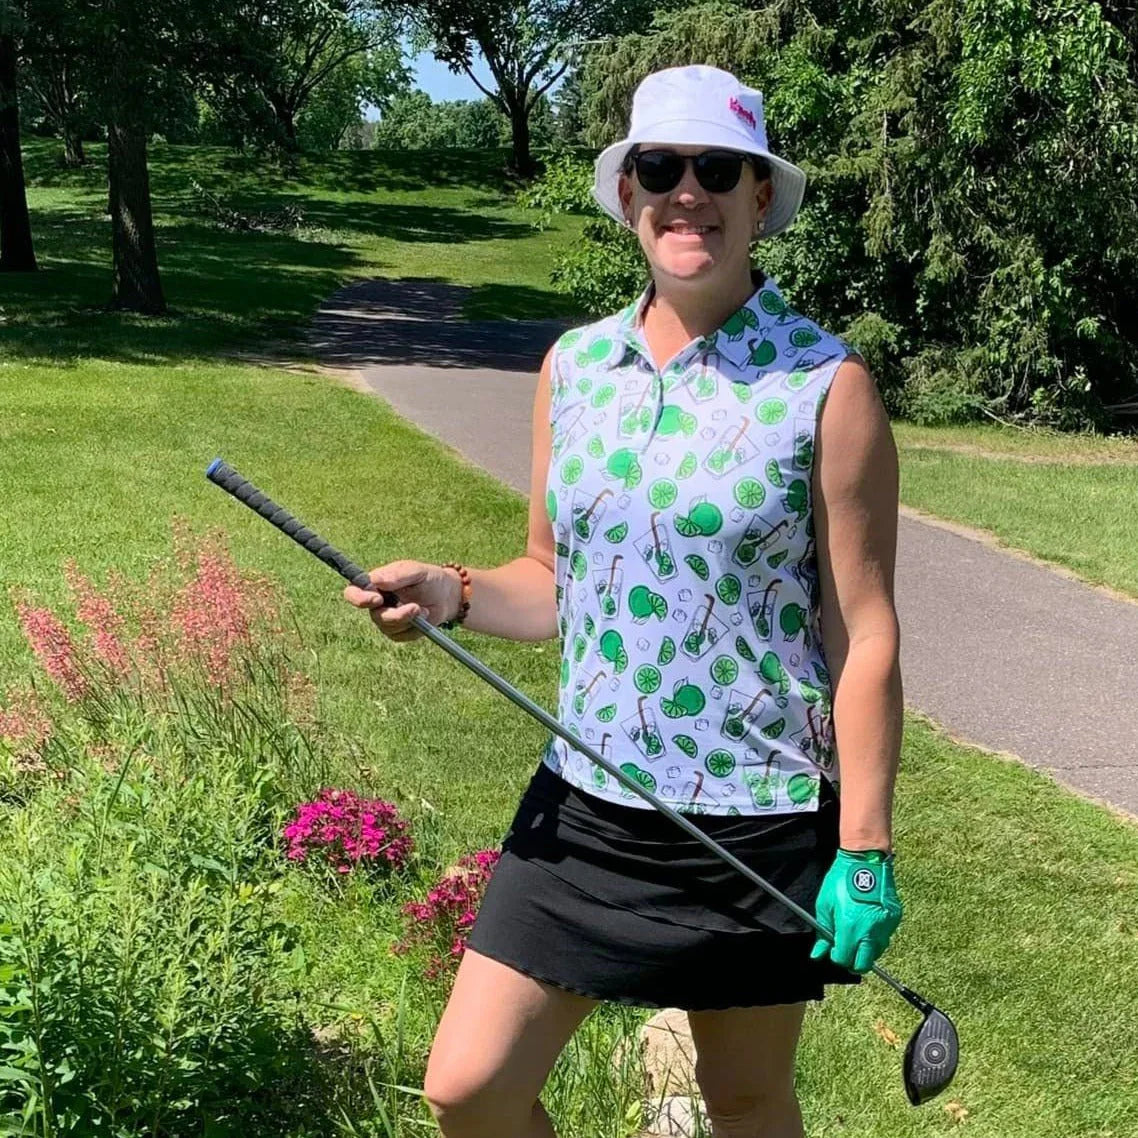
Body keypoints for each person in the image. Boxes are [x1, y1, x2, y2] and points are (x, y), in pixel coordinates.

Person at [344, 64, 903, 1138]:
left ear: (756, 200)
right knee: (470, 1085)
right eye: (660, 166)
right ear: (626, 194)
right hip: (587, 805)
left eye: (716, 169)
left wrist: (865, 848)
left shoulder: (825, 387)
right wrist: (452, 594)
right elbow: (549, 581)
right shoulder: (576, 366)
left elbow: (863, 631)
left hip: (756, 812)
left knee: (745, 1098)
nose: (685, 190)